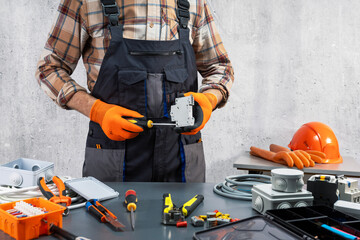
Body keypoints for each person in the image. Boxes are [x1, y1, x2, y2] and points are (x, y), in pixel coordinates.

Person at [35, 0, 234, 182]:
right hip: (112, 159)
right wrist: (97, 111)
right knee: (106, 221)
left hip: (182, 160)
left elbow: (220, 67)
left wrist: (209, 99)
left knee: (187, 220)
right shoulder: (85, 2)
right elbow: (49, 68)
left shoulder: (194, 3)